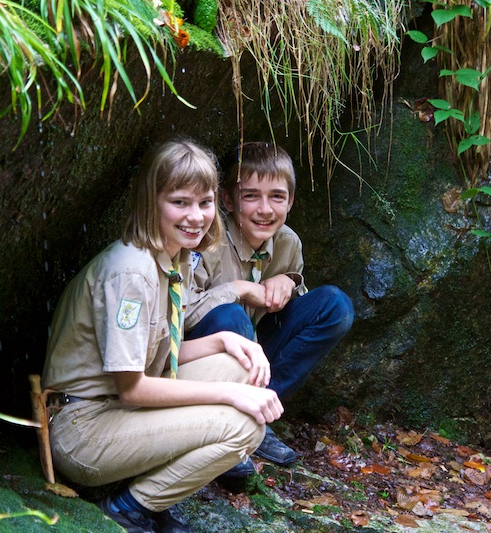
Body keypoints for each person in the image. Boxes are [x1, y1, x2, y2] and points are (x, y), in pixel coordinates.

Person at [41, 139, 284, 533]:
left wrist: (225, 341)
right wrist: (229, 395)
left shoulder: (175, 258)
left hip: (118, 411)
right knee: (244, 426)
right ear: (151, 201)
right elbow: (133, 388)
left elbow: (156, 354)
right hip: (83, 429)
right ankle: (130, 506)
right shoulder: (131, 273)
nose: (196, 216)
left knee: (236, 366)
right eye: (180, 202)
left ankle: (150, 491)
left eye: (205, 202)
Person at [185, 141, 354, 476]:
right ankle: (225, 424)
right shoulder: (206, 239)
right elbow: (182, 314)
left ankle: (258, 409)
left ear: (290, 201)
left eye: (277, 196)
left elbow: (297, 308)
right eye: (251, 196)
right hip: (204, 359)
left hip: (257, 350)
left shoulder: (288, 242)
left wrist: (291, 282)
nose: (265, 209)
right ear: (228, 201)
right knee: (232, 316)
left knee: (335, 306)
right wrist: (237, 290)